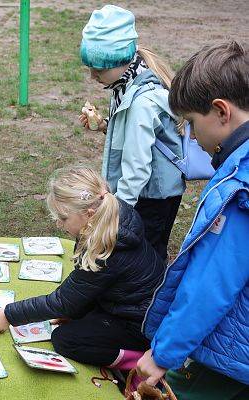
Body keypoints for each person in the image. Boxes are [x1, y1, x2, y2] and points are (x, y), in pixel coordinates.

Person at [138, 41, 249, 399]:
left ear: (221, 112)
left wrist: (164, 354)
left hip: (231, 353)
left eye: (190, 123)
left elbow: (212, 281)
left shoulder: (239, 187)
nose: (190, 136)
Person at [0, 167, 165, 381]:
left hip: (140, 325)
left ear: (88, 214)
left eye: (63, 217)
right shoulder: (108, 220)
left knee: (65, 339)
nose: (58, 224)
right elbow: (85, 290)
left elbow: (62, 302)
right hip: (128, 306)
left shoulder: (106, 247)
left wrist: (9, 314)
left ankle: (134, 361)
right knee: (75, 316)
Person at [79, 5, 185, 260]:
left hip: (151, 197)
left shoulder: (142, 103)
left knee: (145, 255)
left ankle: (150, 297)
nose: (93, 76)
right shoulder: (127, 84)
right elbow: (138, 139)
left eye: (99, 69)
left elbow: (137, 167)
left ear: (120, 61)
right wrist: (105, 125)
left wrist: (117, 211)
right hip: (152, 193)